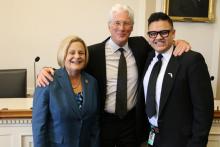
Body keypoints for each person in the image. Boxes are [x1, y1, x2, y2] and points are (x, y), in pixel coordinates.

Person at [36, 4, 191, 147]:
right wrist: (47, 70)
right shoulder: (93, 53)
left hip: (132, 123)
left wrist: (178, 42)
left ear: (132, 27)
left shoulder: (141, 46)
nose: (121, 28)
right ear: (109, 26)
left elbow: (160, 44)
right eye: (116, 23)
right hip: (103, 123)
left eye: (126, 23)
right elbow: (72, 66)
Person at [136, 12, 214, 147]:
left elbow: (204, 111)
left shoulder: (191, 60)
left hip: (181, 141)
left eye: (164, 32)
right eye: (153, 33)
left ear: (173, 33)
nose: (158, 37)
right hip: (152, 138)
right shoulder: (148, 58)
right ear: (148, 36)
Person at [32, 35, 100, 147]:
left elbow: (95, 124)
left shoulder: (92, 82)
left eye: (81, 53)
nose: (77, 56)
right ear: (63, 55)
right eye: (72, 53)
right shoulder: (48, 80)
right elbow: (39, 126)